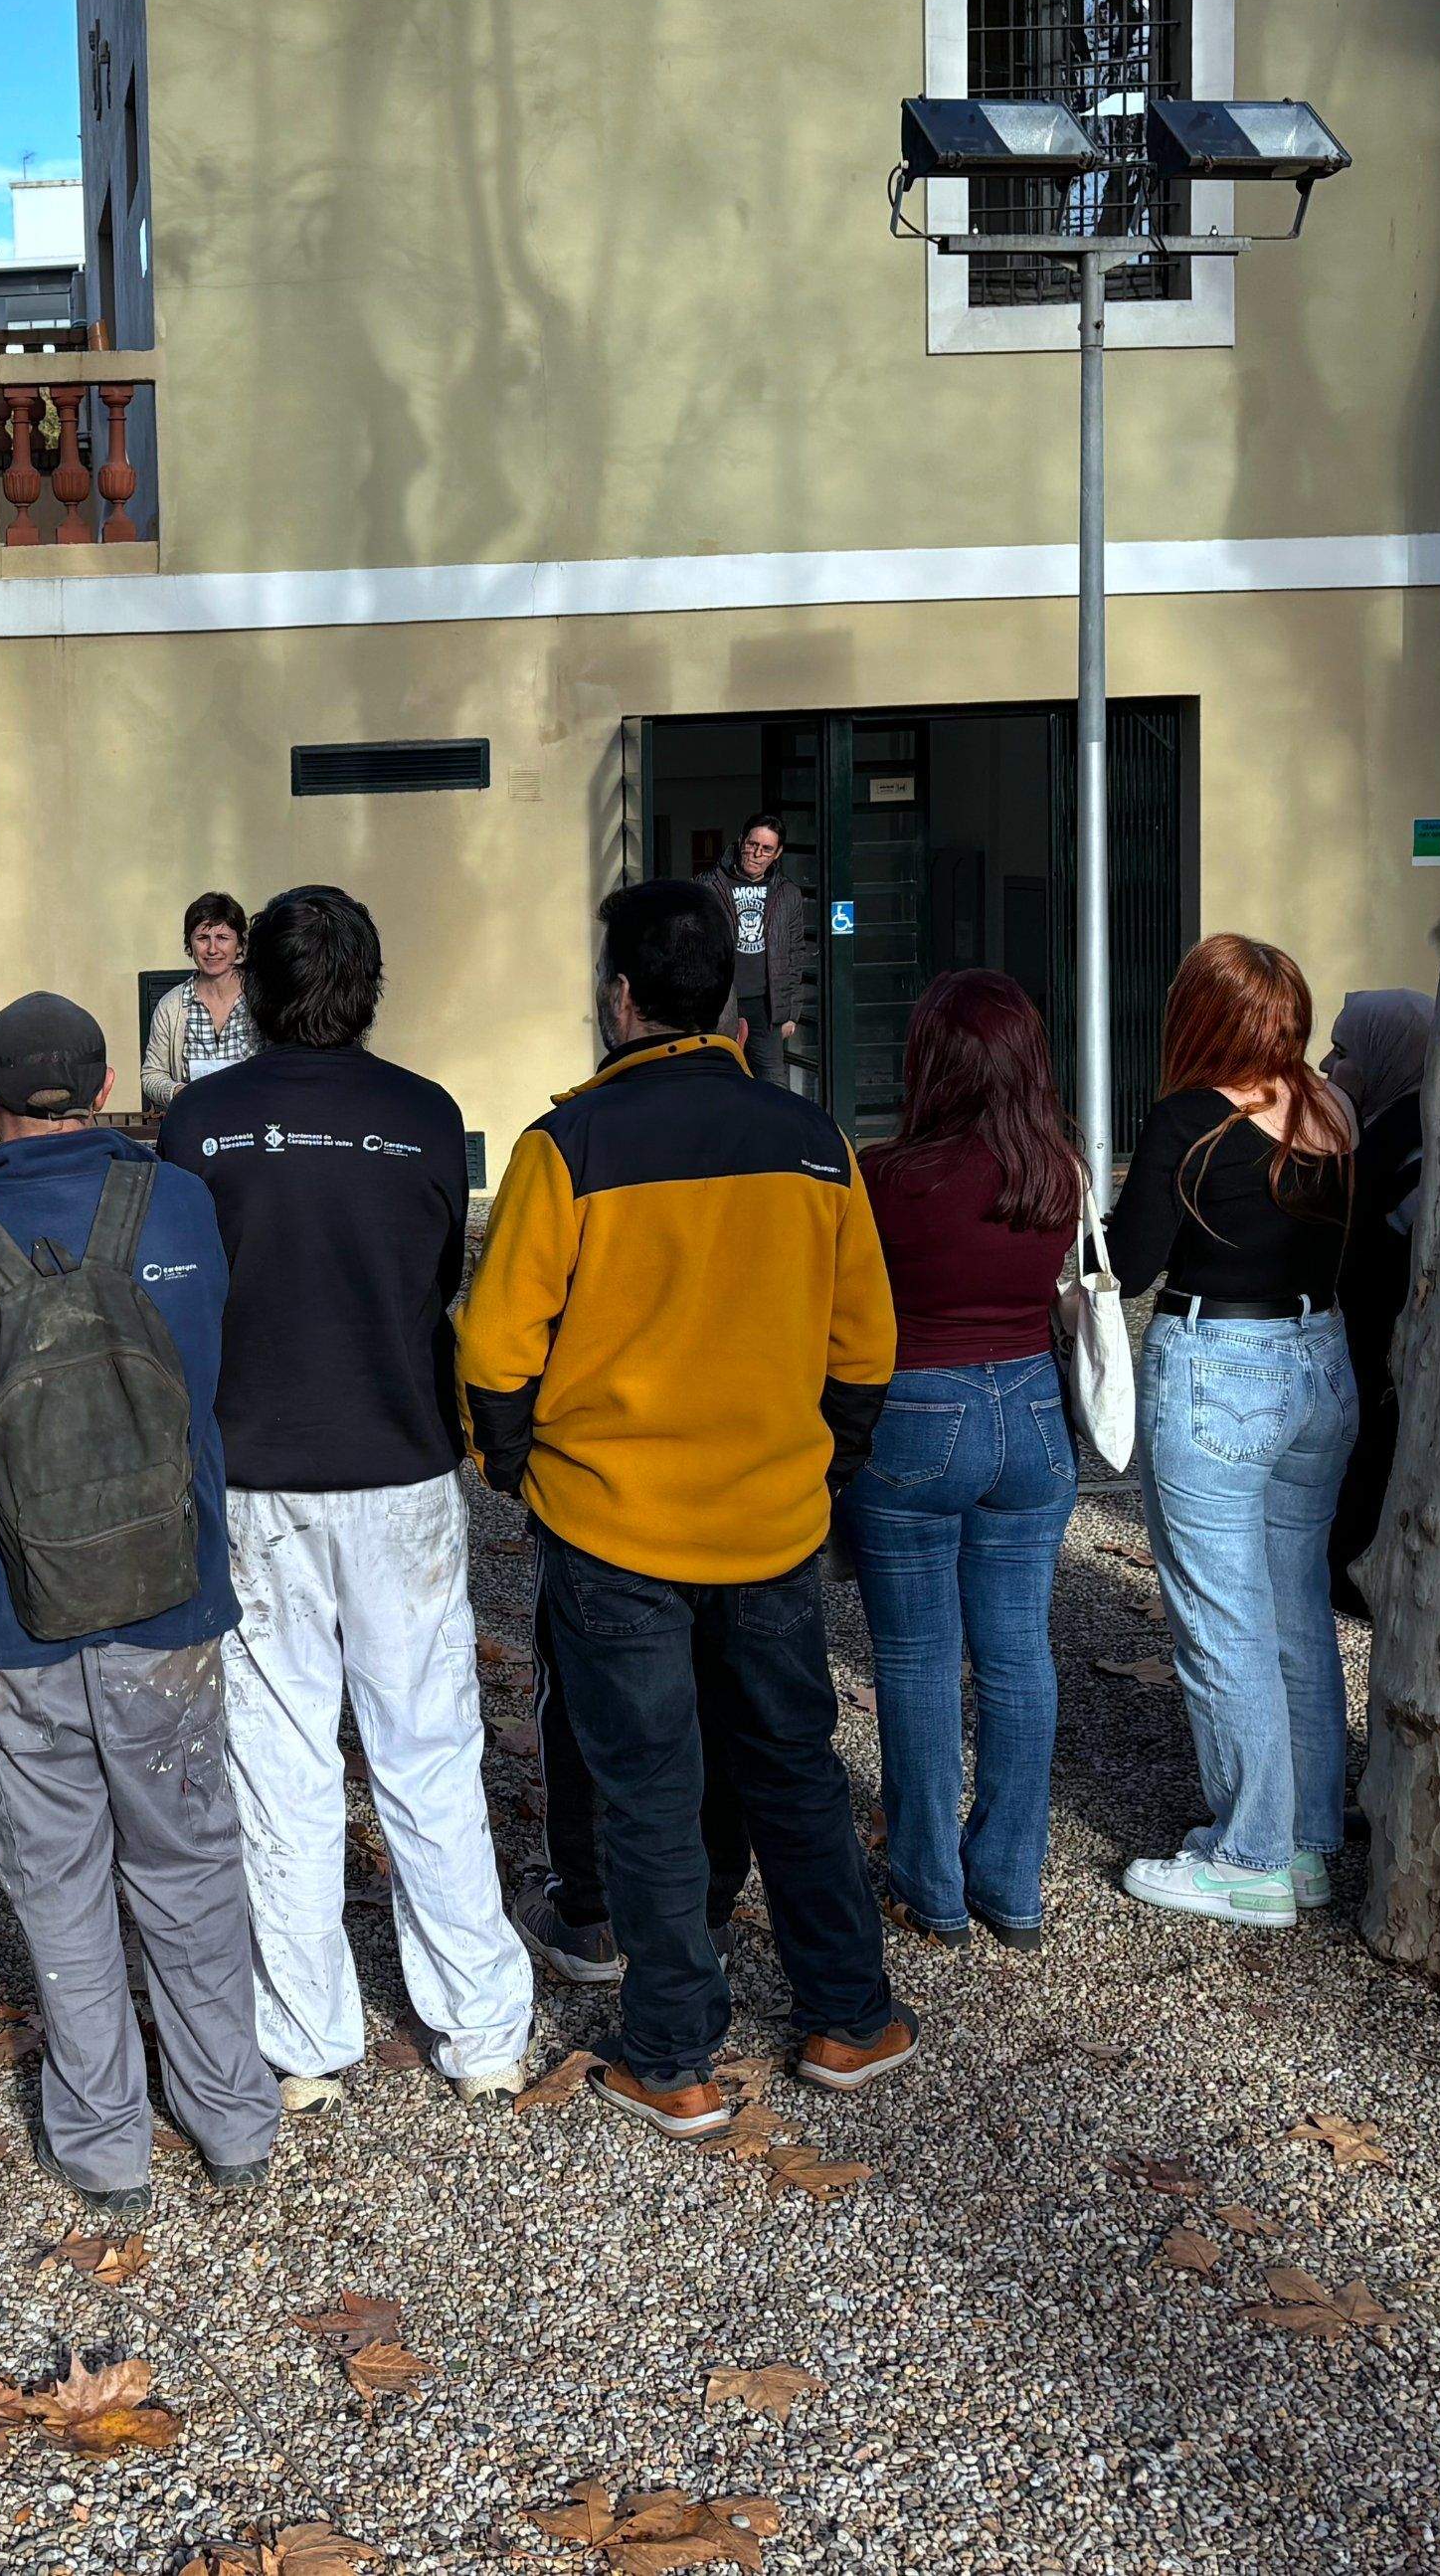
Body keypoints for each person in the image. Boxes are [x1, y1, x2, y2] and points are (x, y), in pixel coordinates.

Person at [455, 879, 911, 2134]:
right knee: (793, 1766)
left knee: (647, 1782)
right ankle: (849, 2011)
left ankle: (675, 2052)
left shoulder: (569, 1146)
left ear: (618, 998)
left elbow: (494, 1353)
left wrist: (517, 1469)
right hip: (767, 1516)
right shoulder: (814, 1139)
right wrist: (824, 1467)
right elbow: (864, 1343)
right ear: (726, 1000)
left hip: (613, 1521)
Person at [157, 887, 536, 2110]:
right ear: (368, 986)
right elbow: (437, 1280)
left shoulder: (203, 1123)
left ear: (255, 987)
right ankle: (480, 2028)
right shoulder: (425, 1116)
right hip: (400, 1459)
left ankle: (307, 2035)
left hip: (255, 1465)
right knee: (429, 1746)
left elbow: (180, 1296)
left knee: (279, 1755)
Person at [0, 993, 275, 2210]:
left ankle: (104, 2137)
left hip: (0, 1610)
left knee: (54, 1873)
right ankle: (229, 2110)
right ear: (110, 1074)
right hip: (163, 1595)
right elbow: (211, 1370)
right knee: (188, 1854)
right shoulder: (175, 1202)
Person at [1107, 935, 1358, 1931]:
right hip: (1320, 1359)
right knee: (1295, 1604)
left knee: (1222, 1622)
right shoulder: (1332, 1109)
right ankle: (1304, 1841)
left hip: (1220, 1367)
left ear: (1200, 1018)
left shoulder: (1187, 1121)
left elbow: (1129, 1263)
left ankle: (1245, 1855)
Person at [847, 972, 1083, 1949]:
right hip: (1030, 1406)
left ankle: (929, 1884)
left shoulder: (886, 1174)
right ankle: (1010, 1883)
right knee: (1019, 1653)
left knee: (916, 1658)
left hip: (917, 1407)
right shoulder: (1056, 1169)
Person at [1322, 988, 1437, 1619]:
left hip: (1391, 1371)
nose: (1325, 1067)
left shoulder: (1419, 1146)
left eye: (1342, 1051)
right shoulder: (1382, 1131)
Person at [709, 815, 820, 1099]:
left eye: (766, 849)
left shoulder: (787, 894)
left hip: (766, 1006)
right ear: (741, 841)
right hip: (720, 1002)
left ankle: (774, 1141)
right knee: (719, 1081)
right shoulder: (708, 887)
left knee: (773, 1087)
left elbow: (796, 952)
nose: (757, 854)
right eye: (752, 844)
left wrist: (791, 1011)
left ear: (778, 853)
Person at [139, 892, 261, 1110]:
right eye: (203, 938)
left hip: (252, 1120)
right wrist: (178, 1092)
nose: (212, 949)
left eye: (222, 938)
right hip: (193, 1120)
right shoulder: (172, 1005)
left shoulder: (262, 998)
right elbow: (151, 1075)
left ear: (240, 945)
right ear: (190, 945)